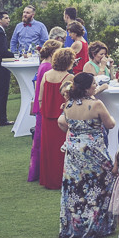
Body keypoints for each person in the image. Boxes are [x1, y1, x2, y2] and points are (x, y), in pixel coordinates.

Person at [57, 72, 116, 238]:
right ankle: (96, 223)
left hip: (74, 152)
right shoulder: (97, 104)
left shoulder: (68, 105)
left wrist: (74, 133)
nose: (95, 87)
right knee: (100, 184)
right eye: (93, 84)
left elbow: (61, 123)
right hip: (93, 151)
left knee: (75, 186)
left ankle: (75, 224)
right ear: (86, 88)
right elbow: (110, 124)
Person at [38, 48, 75, 190]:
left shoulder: (46, 75)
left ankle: (49, 179)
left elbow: (40, 97)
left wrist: (44, 110)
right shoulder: (69, 78)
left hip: (47, 117)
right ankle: (61, 180)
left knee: (49, 149)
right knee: (62, 150)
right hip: (62, 117)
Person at [29, 39, 62, 182]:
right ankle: (41, 171)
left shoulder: (43, 65)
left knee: (39, 140)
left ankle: (37, 171)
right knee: (42, 140)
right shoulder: (48, 67)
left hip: (40, 105)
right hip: (45, 107)